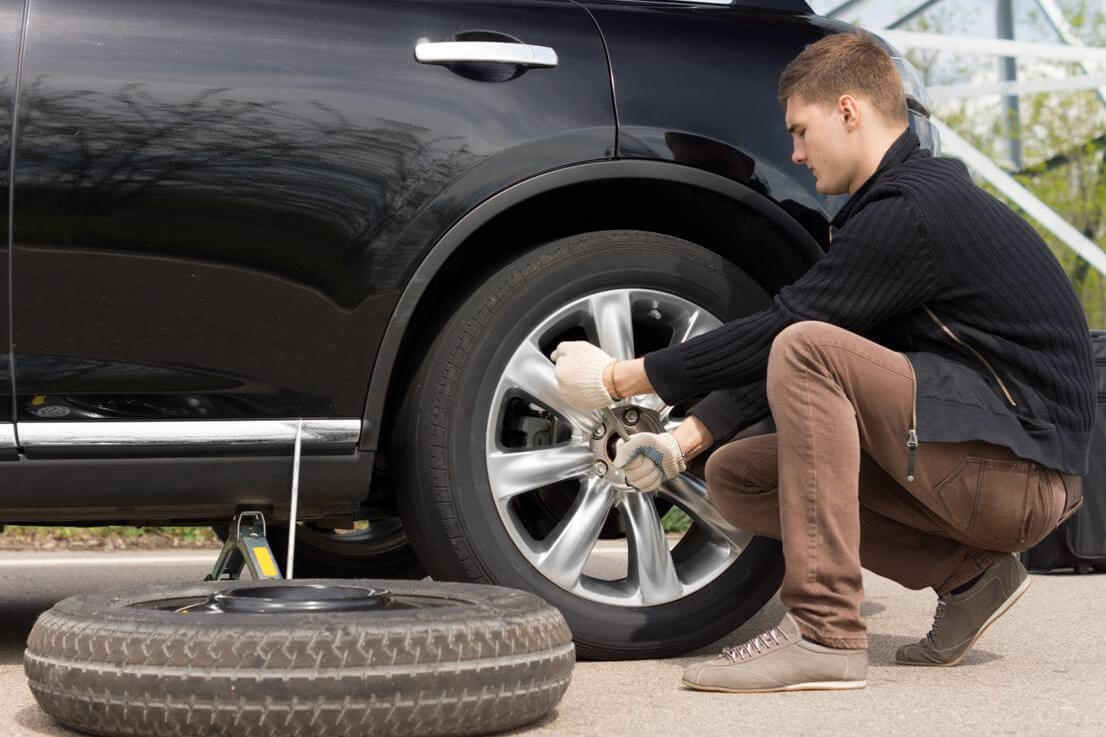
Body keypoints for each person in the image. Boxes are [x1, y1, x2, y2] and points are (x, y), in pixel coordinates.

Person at [549, 29, 1093, 693]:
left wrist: (620, 377)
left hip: (1022, 473)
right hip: (992, 455)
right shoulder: (897, 208)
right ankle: (970, 576)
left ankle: (825, 632)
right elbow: (815, 332)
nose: (796, 153)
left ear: (848, 111)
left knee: (805, 345)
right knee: (738, 477)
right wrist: (688, 438)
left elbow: (794, 334)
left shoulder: (913, 212)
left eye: (801, 131)